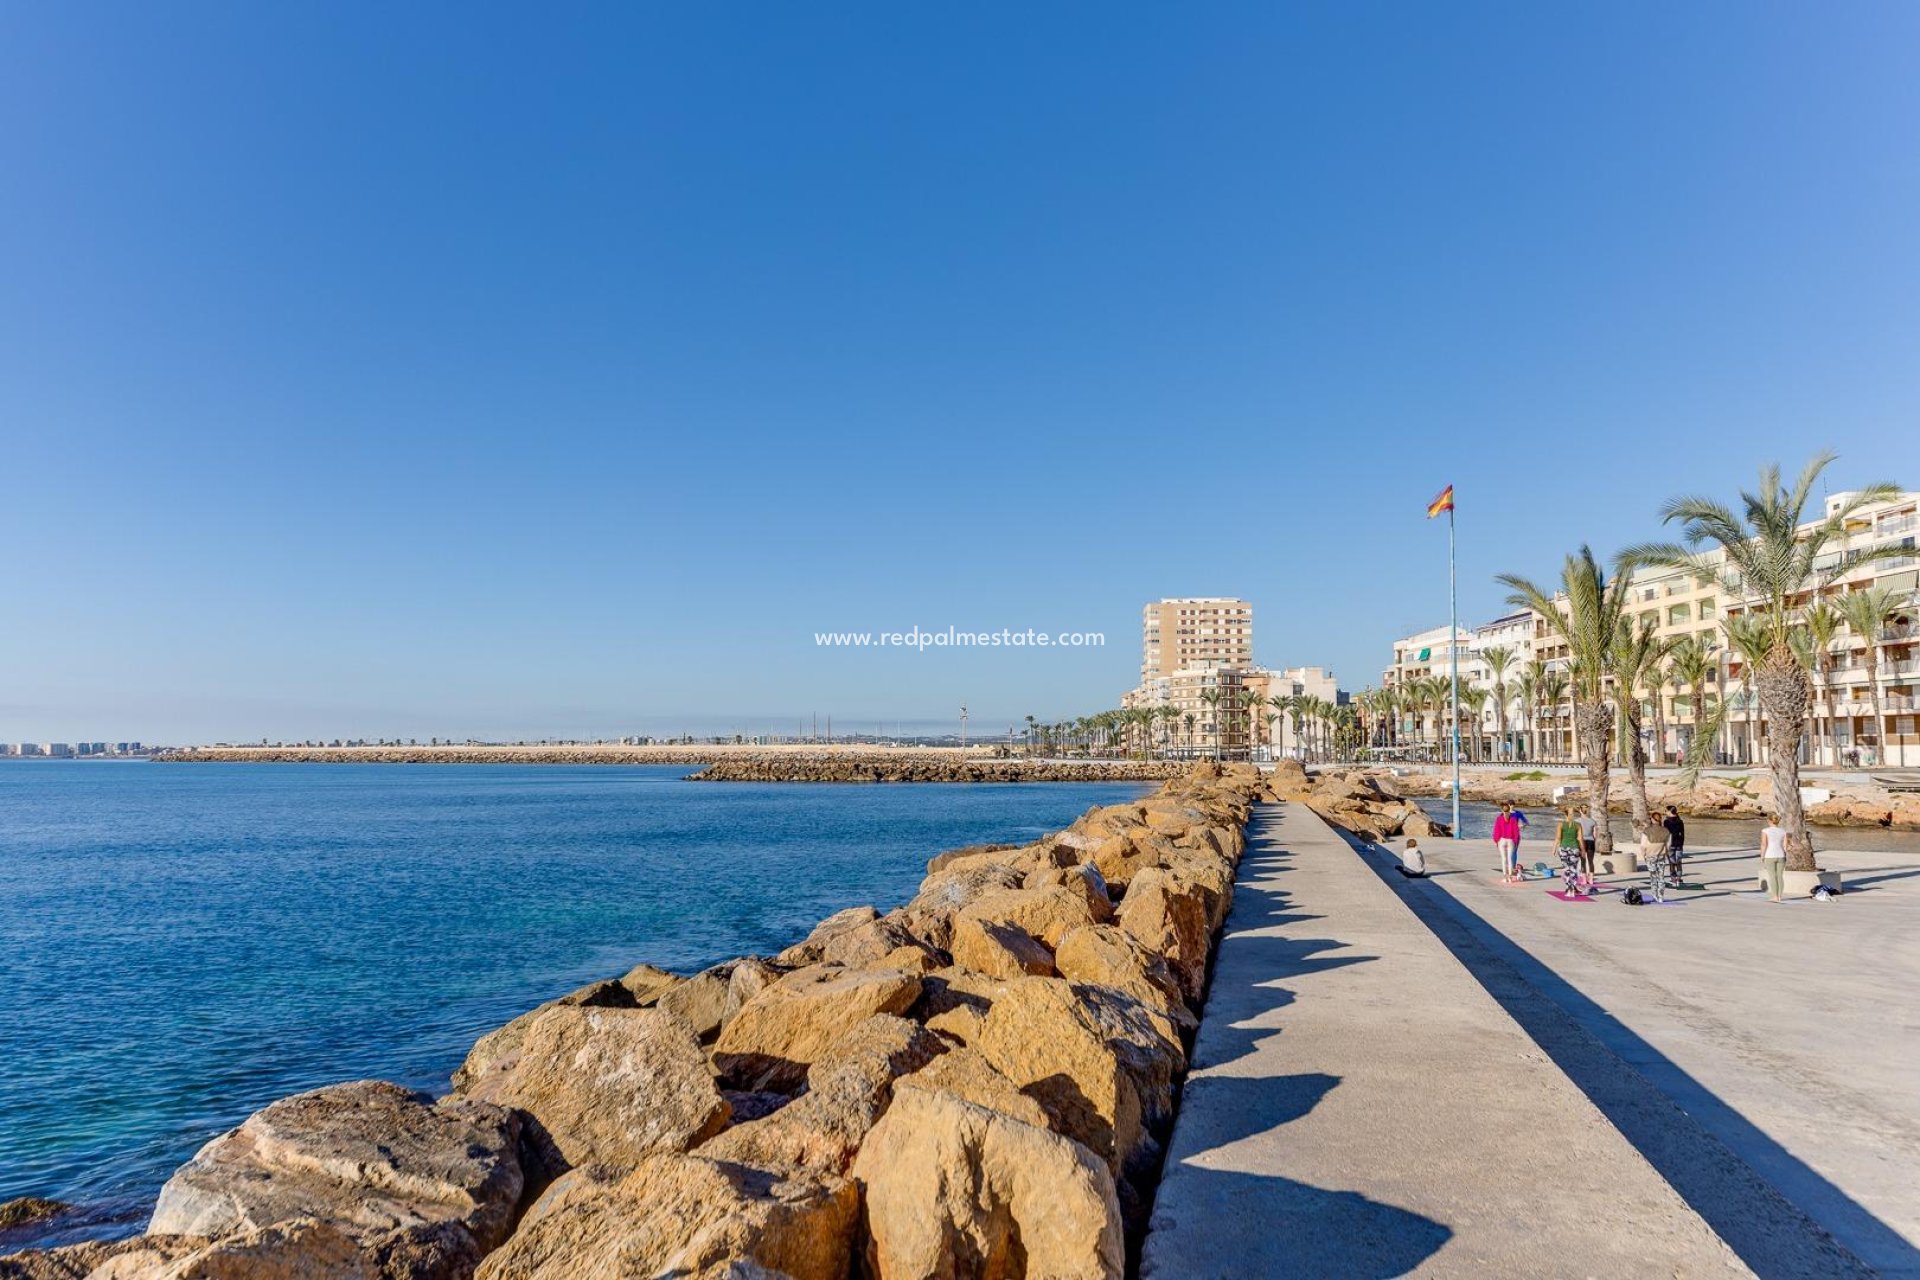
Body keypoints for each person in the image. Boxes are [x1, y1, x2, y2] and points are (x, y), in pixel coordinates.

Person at [1554, 806, 1586, 897]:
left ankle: (1570, 887)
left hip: (1563, 848)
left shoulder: (1561, 824)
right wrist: (1583, 850)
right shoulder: (1578, 825)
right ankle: (1572, 887)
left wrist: (1554, 848)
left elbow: (1558, 838)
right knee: (1573, 869)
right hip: (1575, 848)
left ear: (1565, 814)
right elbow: (1580, 839)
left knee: (1566, 869)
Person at [1638, 823, 1672, 904]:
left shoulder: (1647, 831)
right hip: (1661, 856)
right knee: (1661, 877)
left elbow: (1643, 846)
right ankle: (1661, 897)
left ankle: (1654, 895)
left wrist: (1644, 855)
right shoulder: (1666, 831)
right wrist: (1666, 853)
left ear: (1652, 820)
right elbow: (1668, 845)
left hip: (1650, 856)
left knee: (1653, 876)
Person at [1759, 815, 1788, 901]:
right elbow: (1785, 846)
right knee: (1780, 876)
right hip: (1781, 855)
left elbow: (1764, 844)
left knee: (1772, 876)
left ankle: (1775, 897)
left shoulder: (1765, 831)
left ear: (1769, 821)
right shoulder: (1783, 831)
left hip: (1770, 855)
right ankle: (1779, 896)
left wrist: (1762, 856)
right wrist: (1784, 854)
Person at [1492, 802, 1522, 882]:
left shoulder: (1499, 819)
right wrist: (1516, 841)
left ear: (1502, 810)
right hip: (1511, 840)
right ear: (1509, 809)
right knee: (1510, 859)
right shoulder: (1513, 819)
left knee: (1503, 859)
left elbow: (1496, 831)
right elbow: (1516, 832)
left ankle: (1505, 877)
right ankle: (1511, 877)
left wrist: (1496, 841)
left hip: (1502, 840)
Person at [1662, 805, 1686, 886]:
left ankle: (1673, 879)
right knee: (1679, 862)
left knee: (1672, 863)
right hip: (1679, 844)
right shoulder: (1680, 821)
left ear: (1669, 811)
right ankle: (1679, 879)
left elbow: (1666, 834)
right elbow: (1682, 835)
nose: (1665, 812)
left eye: (1666, 811)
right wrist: (1681, 844)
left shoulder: (1666, 822)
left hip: (1670, 844)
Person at [1576, 812, 1597, 885]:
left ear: (1580, 811)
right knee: (1591, 861)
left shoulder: (1577, 821)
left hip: (1582, 842)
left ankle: (1584, 880)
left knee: (1583, 861)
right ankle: (1591, 880)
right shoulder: (1593, 821)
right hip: (1591, 842)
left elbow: (1576, 833)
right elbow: (1595, 835)